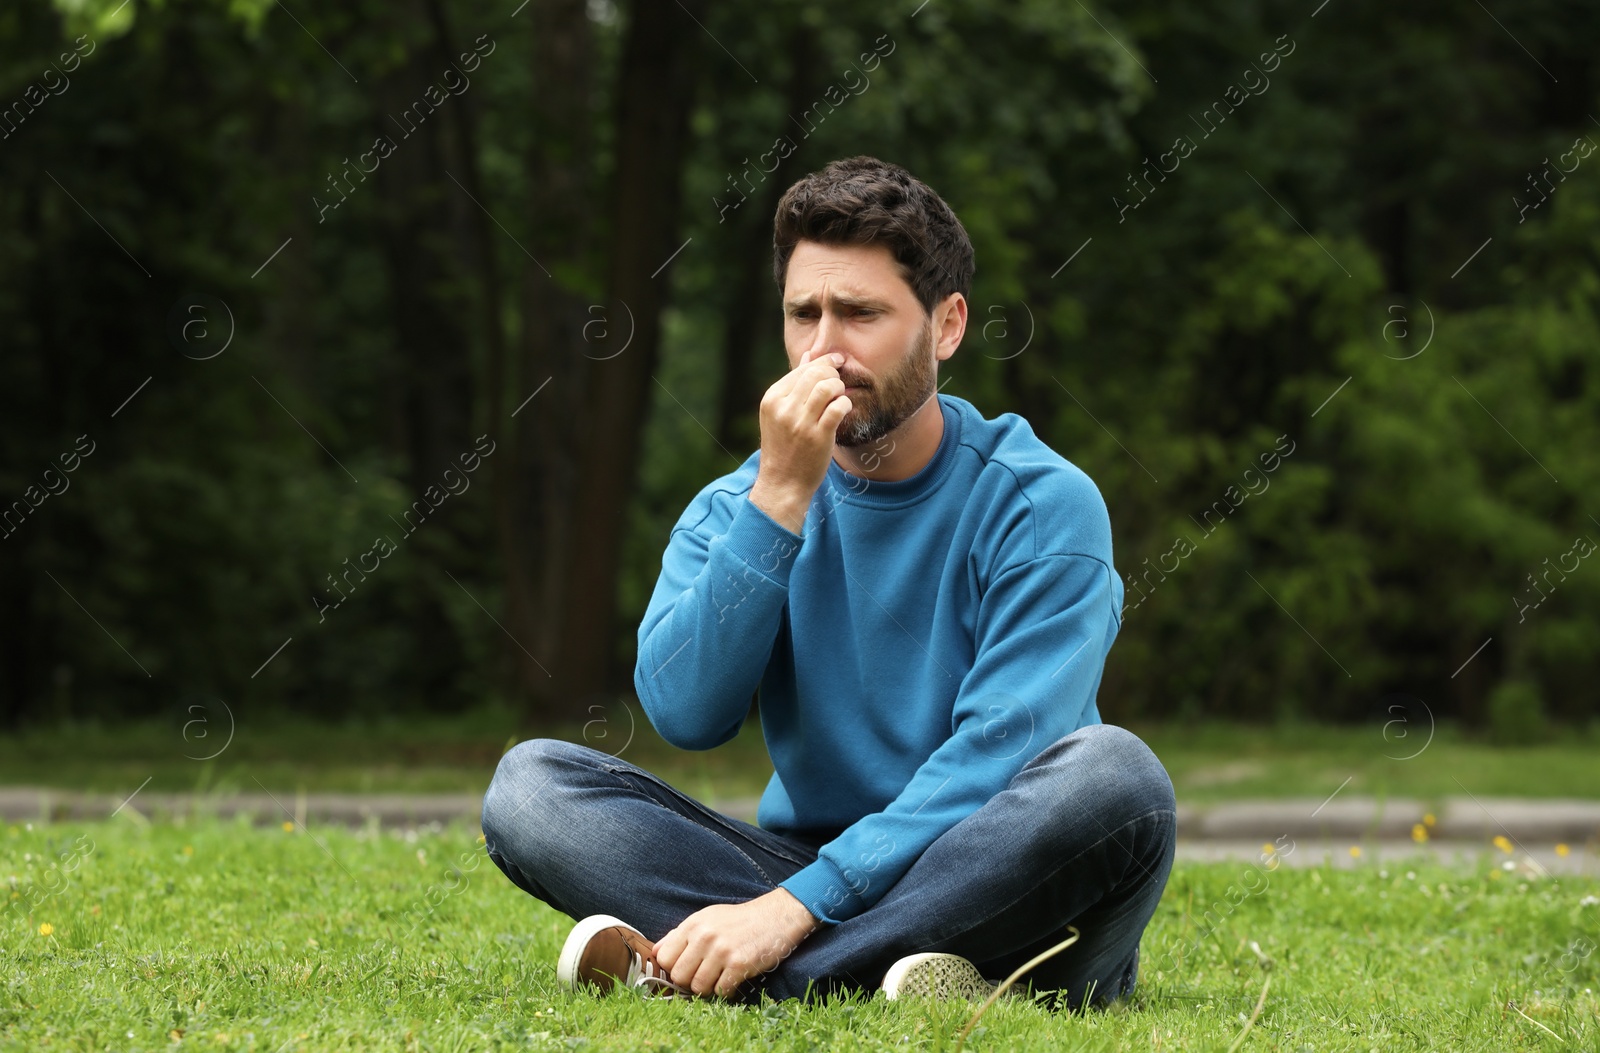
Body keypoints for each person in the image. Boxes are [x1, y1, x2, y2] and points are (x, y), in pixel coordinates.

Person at [480, 155, 1176, 1008]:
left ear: (947, 326)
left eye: (860, 314)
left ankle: (759, 974)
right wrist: (778, 501)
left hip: (1001, 875)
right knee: (532, 788)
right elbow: (685, 714)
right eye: (803, 313)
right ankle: (911, 975)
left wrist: (790, 911)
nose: (822, 350)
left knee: (1116, 778)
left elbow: (1001, 755)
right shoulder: (739, 503)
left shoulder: (1043, 504)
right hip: (803, 864)